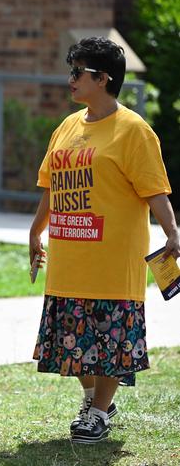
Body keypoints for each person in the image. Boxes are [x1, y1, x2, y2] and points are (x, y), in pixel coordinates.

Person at [29, 37, 179, 444]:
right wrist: (34, 232)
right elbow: (50, 186)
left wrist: (171, 230)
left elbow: (154, 190)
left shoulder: (134, 130)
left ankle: (96, 413)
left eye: (78, 72)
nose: (71, 79)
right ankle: (97, 400)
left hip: (113, 259)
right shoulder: (67, 126)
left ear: (103, 78)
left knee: (111, 342)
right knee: (75, 344)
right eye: (72, 70)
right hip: (69, 257)